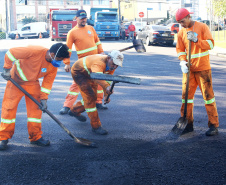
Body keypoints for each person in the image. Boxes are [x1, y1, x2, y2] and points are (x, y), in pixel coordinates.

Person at [0, 43, 70, 150]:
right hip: (16, 80)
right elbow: (11, 53)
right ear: (52, 54)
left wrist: (44, 98)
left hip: (32, 83)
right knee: (9, 109)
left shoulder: (52, 66)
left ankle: (35, 137)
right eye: (58, 59)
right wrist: (6, 69)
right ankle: (3, 138)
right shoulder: (33, 51)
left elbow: (47, 83)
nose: (59, 62)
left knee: (35, 112)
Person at [175, 8, 219, 136]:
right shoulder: (181, 32)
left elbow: (211, 44)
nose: (181, 24)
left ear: (189, 17)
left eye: (182, 21)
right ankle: (188, 124)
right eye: (179, 22)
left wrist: (196, 40)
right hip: (188, 71)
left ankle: (213, 126)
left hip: (203, 69)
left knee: (208, 98)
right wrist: (182, 62)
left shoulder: (202, 27)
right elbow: (180, 50)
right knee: (186, 99)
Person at [59, 9, 107, 115]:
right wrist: (67, 63)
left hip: (96, 61)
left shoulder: (91, 28)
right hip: (83, 63)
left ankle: (98, 102)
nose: (83, 20)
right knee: (76, 84)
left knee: (99, 81)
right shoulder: (72, 32)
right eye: (81, 19)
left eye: (85, 18)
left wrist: (102, 52)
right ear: (76, 18)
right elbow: (68, 49)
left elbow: (97, 42)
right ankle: (67, 106)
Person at [69, 50, 124, 135]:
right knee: (90, 98)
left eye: (117, 65)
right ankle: (96, 126)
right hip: (79, 73)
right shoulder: (99, 63)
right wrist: (106, 87)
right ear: (109, 58)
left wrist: (106, 95)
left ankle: (74, 110)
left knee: (93, 97)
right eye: (114, 64)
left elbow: (107, 80)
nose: (115, 67)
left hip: (90, 74)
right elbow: (98, 78)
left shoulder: (111, 66)